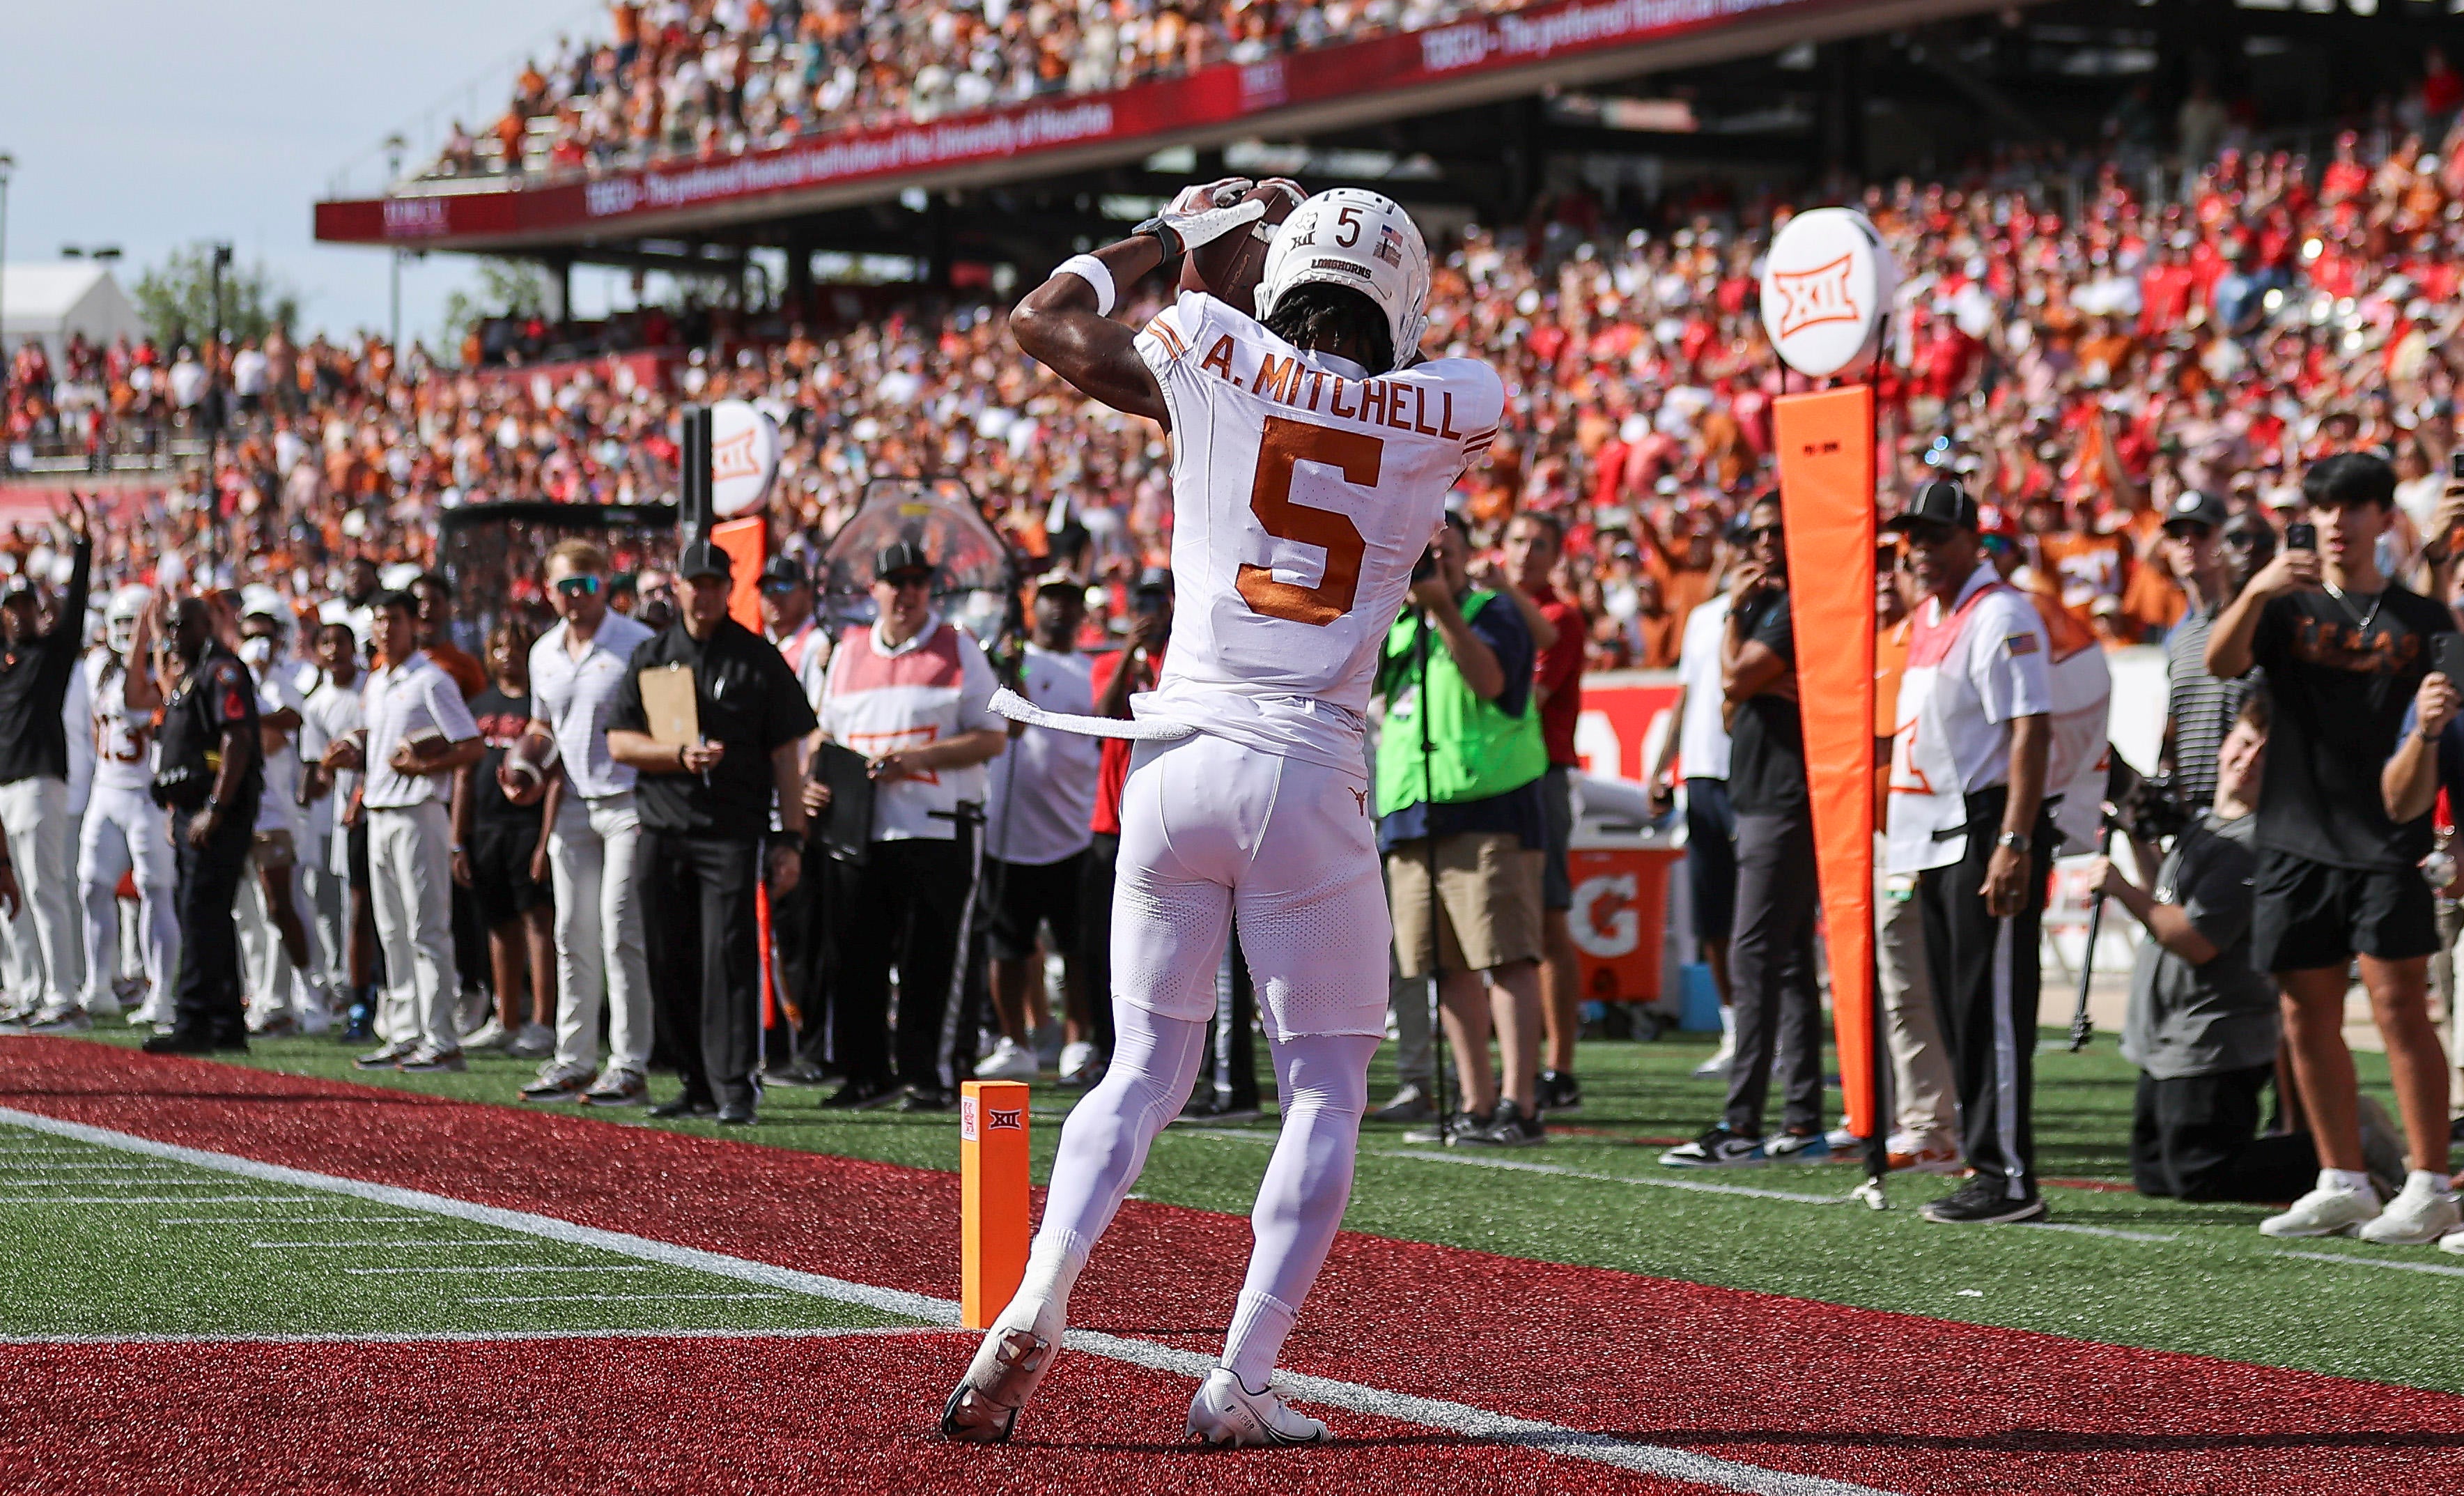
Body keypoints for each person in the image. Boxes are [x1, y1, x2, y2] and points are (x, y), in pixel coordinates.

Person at [943, 180, 1503, 1446]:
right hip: (1310, 767)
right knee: (1322, 1089)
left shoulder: (1211, 339)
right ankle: (1242, 1373)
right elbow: (1371, 389)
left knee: (1140, 1067)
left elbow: (1044, 316)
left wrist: (1175, 237)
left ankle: (1034, 1297)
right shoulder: (1455, 405)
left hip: (1179, 752)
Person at [2210, 452, 2460, 1245]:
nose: (2336, 523)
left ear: (2385, 518)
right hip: (2293, 838)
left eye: (2354, 507)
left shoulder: (2422, 620)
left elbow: (2443, 710)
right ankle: (2342, 1176)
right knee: (2303, 1012)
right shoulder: (2283, 609)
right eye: (2324, 508)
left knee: (2398, 1006)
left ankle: (2428, 1182)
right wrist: (2254, 586)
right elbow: (2221, 662)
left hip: (2390, 836)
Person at [1884, 479, 2056, 1225]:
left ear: (1971, 539)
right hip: (1939, 830)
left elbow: (2030, 729)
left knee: (1993, 1010)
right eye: (1911, 538)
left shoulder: (2001, 614)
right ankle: (1986, 1160)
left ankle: (2009, 1174)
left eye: (1933, 536)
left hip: (1987, 827)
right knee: (1962, 1008)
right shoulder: (1935, 614)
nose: (1919, 550)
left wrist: (2014, 840)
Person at [2102, 693, 2343, 1203]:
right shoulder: (2205, 826)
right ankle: (2336, 1152)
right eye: (2244, 742)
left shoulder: (2252, 841)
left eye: (2265, 754)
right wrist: (2132, 841)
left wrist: (2120, 889)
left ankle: (2347, 1151)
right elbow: (2166, 897)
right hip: (2169, 1037)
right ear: (2224, 743)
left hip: (2213, 1038)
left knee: (2201, 1175)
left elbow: (2196, 940)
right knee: (2157, 1177)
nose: (2248, 759)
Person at [607, 540, 815, 1125]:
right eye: (694, 582)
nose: (704, 593)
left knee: (727, 954)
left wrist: (790, 837)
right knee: (668, 955)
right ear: (676, 587)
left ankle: (735, 1084)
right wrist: (678, 754)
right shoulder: (652, 655)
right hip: (663, 825)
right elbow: (620, 741)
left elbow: (786, 754)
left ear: (730, 588)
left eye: (714, 583)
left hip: (730, 829)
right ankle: (694, 1081)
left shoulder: (756, 658)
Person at [812, 540, 1007, 1112]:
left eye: (918, 581)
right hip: (859, 832)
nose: (907, 592)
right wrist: (814, 781)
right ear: (873, 589)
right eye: (895, 581)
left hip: (938, 826)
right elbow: (825, 737)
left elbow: (991, 735)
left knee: (934, 958)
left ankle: (933, 1074)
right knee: (856, 955)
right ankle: (865, 1072)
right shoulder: (846, 650)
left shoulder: (958, 645)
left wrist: (915, 760)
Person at [1663, 493, 1825, 1167]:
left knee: (1755, 954)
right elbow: (1731, 704)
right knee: (1783, 960)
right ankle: (1801, 1119)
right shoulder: (1770, 608)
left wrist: (1734, 624)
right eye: (1753, 533)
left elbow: (1732, 679)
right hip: (1763, 790)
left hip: (1780, 799)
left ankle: (1742, 1123)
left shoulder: (1788, 607)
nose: (1762, 545)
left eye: (1774, 532)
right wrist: (1741, 683)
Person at [1378, 513, 1550, 1147]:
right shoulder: (1397, 625)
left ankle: (1520, 1105)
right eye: (1423, 555)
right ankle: (1476, 1105)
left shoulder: (1490, 612)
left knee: (1504, 957)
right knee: (1444, 965)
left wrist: (1445, 607)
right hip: (1411, 812)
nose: (1434, 564)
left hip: (1487, 809)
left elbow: (1494, 684)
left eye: (1445, 553)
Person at [520, 539, 658, 1105]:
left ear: (607, 585)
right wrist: (523, 761)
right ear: (549, 592)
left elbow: (664, 719)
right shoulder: (544, 651)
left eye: (588, 584)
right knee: (571, 931)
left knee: (620, 929)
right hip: (572, 799)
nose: (576, 597)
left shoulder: (637, 642)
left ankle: (629, 1061)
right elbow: (542, 725)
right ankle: (573, 1056)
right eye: (566, 587)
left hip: (629, 797)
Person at [324, 590, 483, 1074]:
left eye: (394, 619)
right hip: (379, 809)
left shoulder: (431, 679)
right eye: (379, 620)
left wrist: (422, 765)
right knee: (391, 928)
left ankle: (441, 1038)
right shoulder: (379, 680)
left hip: (419, 809)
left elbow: (471, 744)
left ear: (413, 624)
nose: (385, 629)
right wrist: (353, 751)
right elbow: (379, 739)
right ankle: (405, 1031)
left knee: (426, 926)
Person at [977, 572, 1100, 1084]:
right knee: (1008, 944)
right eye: (1051, 599)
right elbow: (1012, 712)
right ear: (1034, 604)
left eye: (1070, 600)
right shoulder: (1011, 658)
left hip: (1071, 828)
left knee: (1075, 945)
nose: (1060, 609)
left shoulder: (1091, 669)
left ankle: (1077, 1038)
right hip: (1009, 830)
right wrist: (1007, 659)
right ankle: (1016, 1040)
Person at [139, 597, 261, 1055]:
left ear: (206, 625)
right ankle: (226, 1022)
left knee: (198, 911)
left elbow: (237, 739)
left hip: (218, 813)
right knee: (208, 915)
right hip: (193, 810)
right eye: (169, 627)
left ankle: (193, 1019)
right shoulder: (191, 674)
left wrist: (215, 806)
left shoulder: (222, 671)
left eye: (183, 625)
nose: (175, 634)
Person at [1496, 510, 1587, 1115]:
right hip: (1496, 774)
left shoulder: (1560, 616)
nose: (1527, 553)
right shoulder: (1492, 609)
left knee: (1550, 918)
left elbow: (1521, 699)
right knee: (1508, 923)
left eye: (1539, 545)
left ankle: (1560, 1066)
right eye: (1518, 541)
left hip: (1541, 773)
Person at [1077, 567, 1175, 1084]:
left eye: (1156, 603)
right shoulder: (1111, 664)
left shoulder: (1177, 666)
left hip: (1158, 820)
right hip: (1108, 822)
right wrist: (1126, 659)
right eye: (1141, 603)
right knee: (1098, 943)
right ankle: (1103, 1045)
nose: (1148, 613)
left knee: (1159, 945)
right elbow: (1103, 716)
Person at [0, 496, 91, 1031]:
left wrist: (82, 547)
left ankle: (65, 997)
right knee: (17, 893)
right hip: (6, 787)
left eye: (27, 605)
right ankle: (32, 989)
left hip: (39, 782)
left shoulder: (50, 656)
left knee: (44, 887)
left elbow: (76, 607)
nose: (20, 613)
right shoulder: (6, 666)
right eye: (11, 606)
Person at [452, 614, 555, 1057]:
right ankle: (505, 1017)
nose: (508, 655)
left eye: (517, 646)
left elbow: (554, 777)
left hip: (527, 827)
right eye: (500, 647)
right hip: (487, 827)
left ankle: (544, 1022)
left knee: (538, 922)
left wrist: (546, 841)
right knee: (497, 924)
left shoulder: (540, 705)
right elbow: (462, 775)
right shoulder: (478, 706)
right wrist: (459, 838)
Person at [77, 585, 179, 1030]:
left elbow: (140, 693)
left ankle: (161, 991)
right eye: (122, 623)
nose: (127, 633)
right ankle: (99, 984)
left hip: (145, 796)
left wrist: (148, 634)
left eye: (135, 623)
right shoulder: (98, 667)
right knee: (91, 886)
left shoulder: (161, 673)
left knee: (155, 890)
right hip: (106, 790)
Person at [1648, 569, 1737, 1078]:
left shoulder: (1776, 611)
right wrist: (1662, 764)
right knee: (1712, 916)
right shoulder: (1703, 617)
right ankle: (1735, 1029)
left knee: (1754, 917)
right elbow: (1685, 697)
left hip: (1750, 776)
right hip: (1702, 776)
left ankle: (1769, 1035)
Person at [759, 553, 835, 1082]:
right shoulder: (768, 646)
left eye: (785, 586)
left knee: (809, 931)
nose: (774, 596)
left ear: (807, 591)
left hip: (799, 802)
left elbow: (818, 725)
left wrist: (801, 788)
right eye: (767, 587)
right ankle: (786, 1042)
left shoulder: (816, 646)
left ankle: (814, 1046)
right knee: (780, 932)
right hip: (768, 801)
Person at [2157, 491, 2272, 811]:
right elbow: (2174, 720)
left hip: (2251, 798)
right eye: (2177, 535)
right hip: (2194, 809)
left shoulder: (2262, 620)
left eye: (2201, 532)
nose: (2188, 543)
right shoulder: (2182, 636)